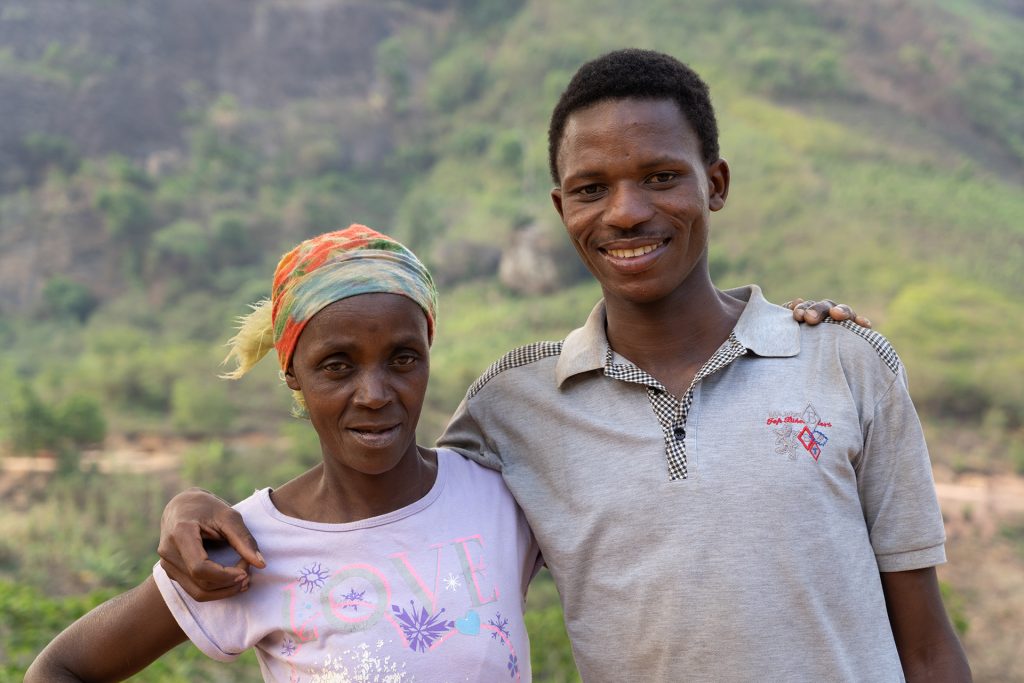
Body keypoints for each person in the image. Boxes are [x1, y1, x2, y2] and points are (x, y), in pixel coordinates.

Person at [156, 49, 971, 681]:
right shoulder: (514, 408)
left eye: (660, 176)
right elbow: (383, 494)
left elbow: (928, 645)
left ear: (714, 184)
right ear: (561, 209)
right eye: (592, 187)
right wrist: (192, 505)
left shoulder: (845, 363)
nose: (627, 210)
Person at [27, 226, 542, 682]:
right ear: (293, 374)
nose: (375, 394)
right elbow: (61, 668)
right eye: (337, 366)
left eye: (402, 359)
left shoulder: (500, 495)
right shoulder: (249, 546)